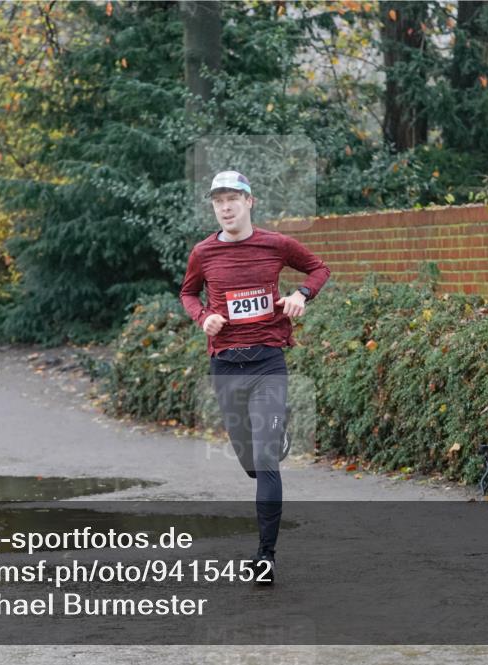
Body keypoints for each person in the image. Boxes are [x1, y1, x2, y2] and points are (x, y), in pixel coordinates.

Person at [179, 170, 330, 585]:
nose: (225, 207)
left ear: (250, 202)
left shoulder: (275, 244)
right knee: (248, 461)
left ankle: (265, 558)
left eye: (232, 198)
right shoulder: (203, 253)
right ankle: (271, 444)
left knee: (265, 463)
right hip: (225, 364)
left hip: (267, 363)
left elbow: (318, 269)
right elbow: (188, 293)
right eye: (218, 201)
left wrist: (301, 295)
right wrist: (203, 316)